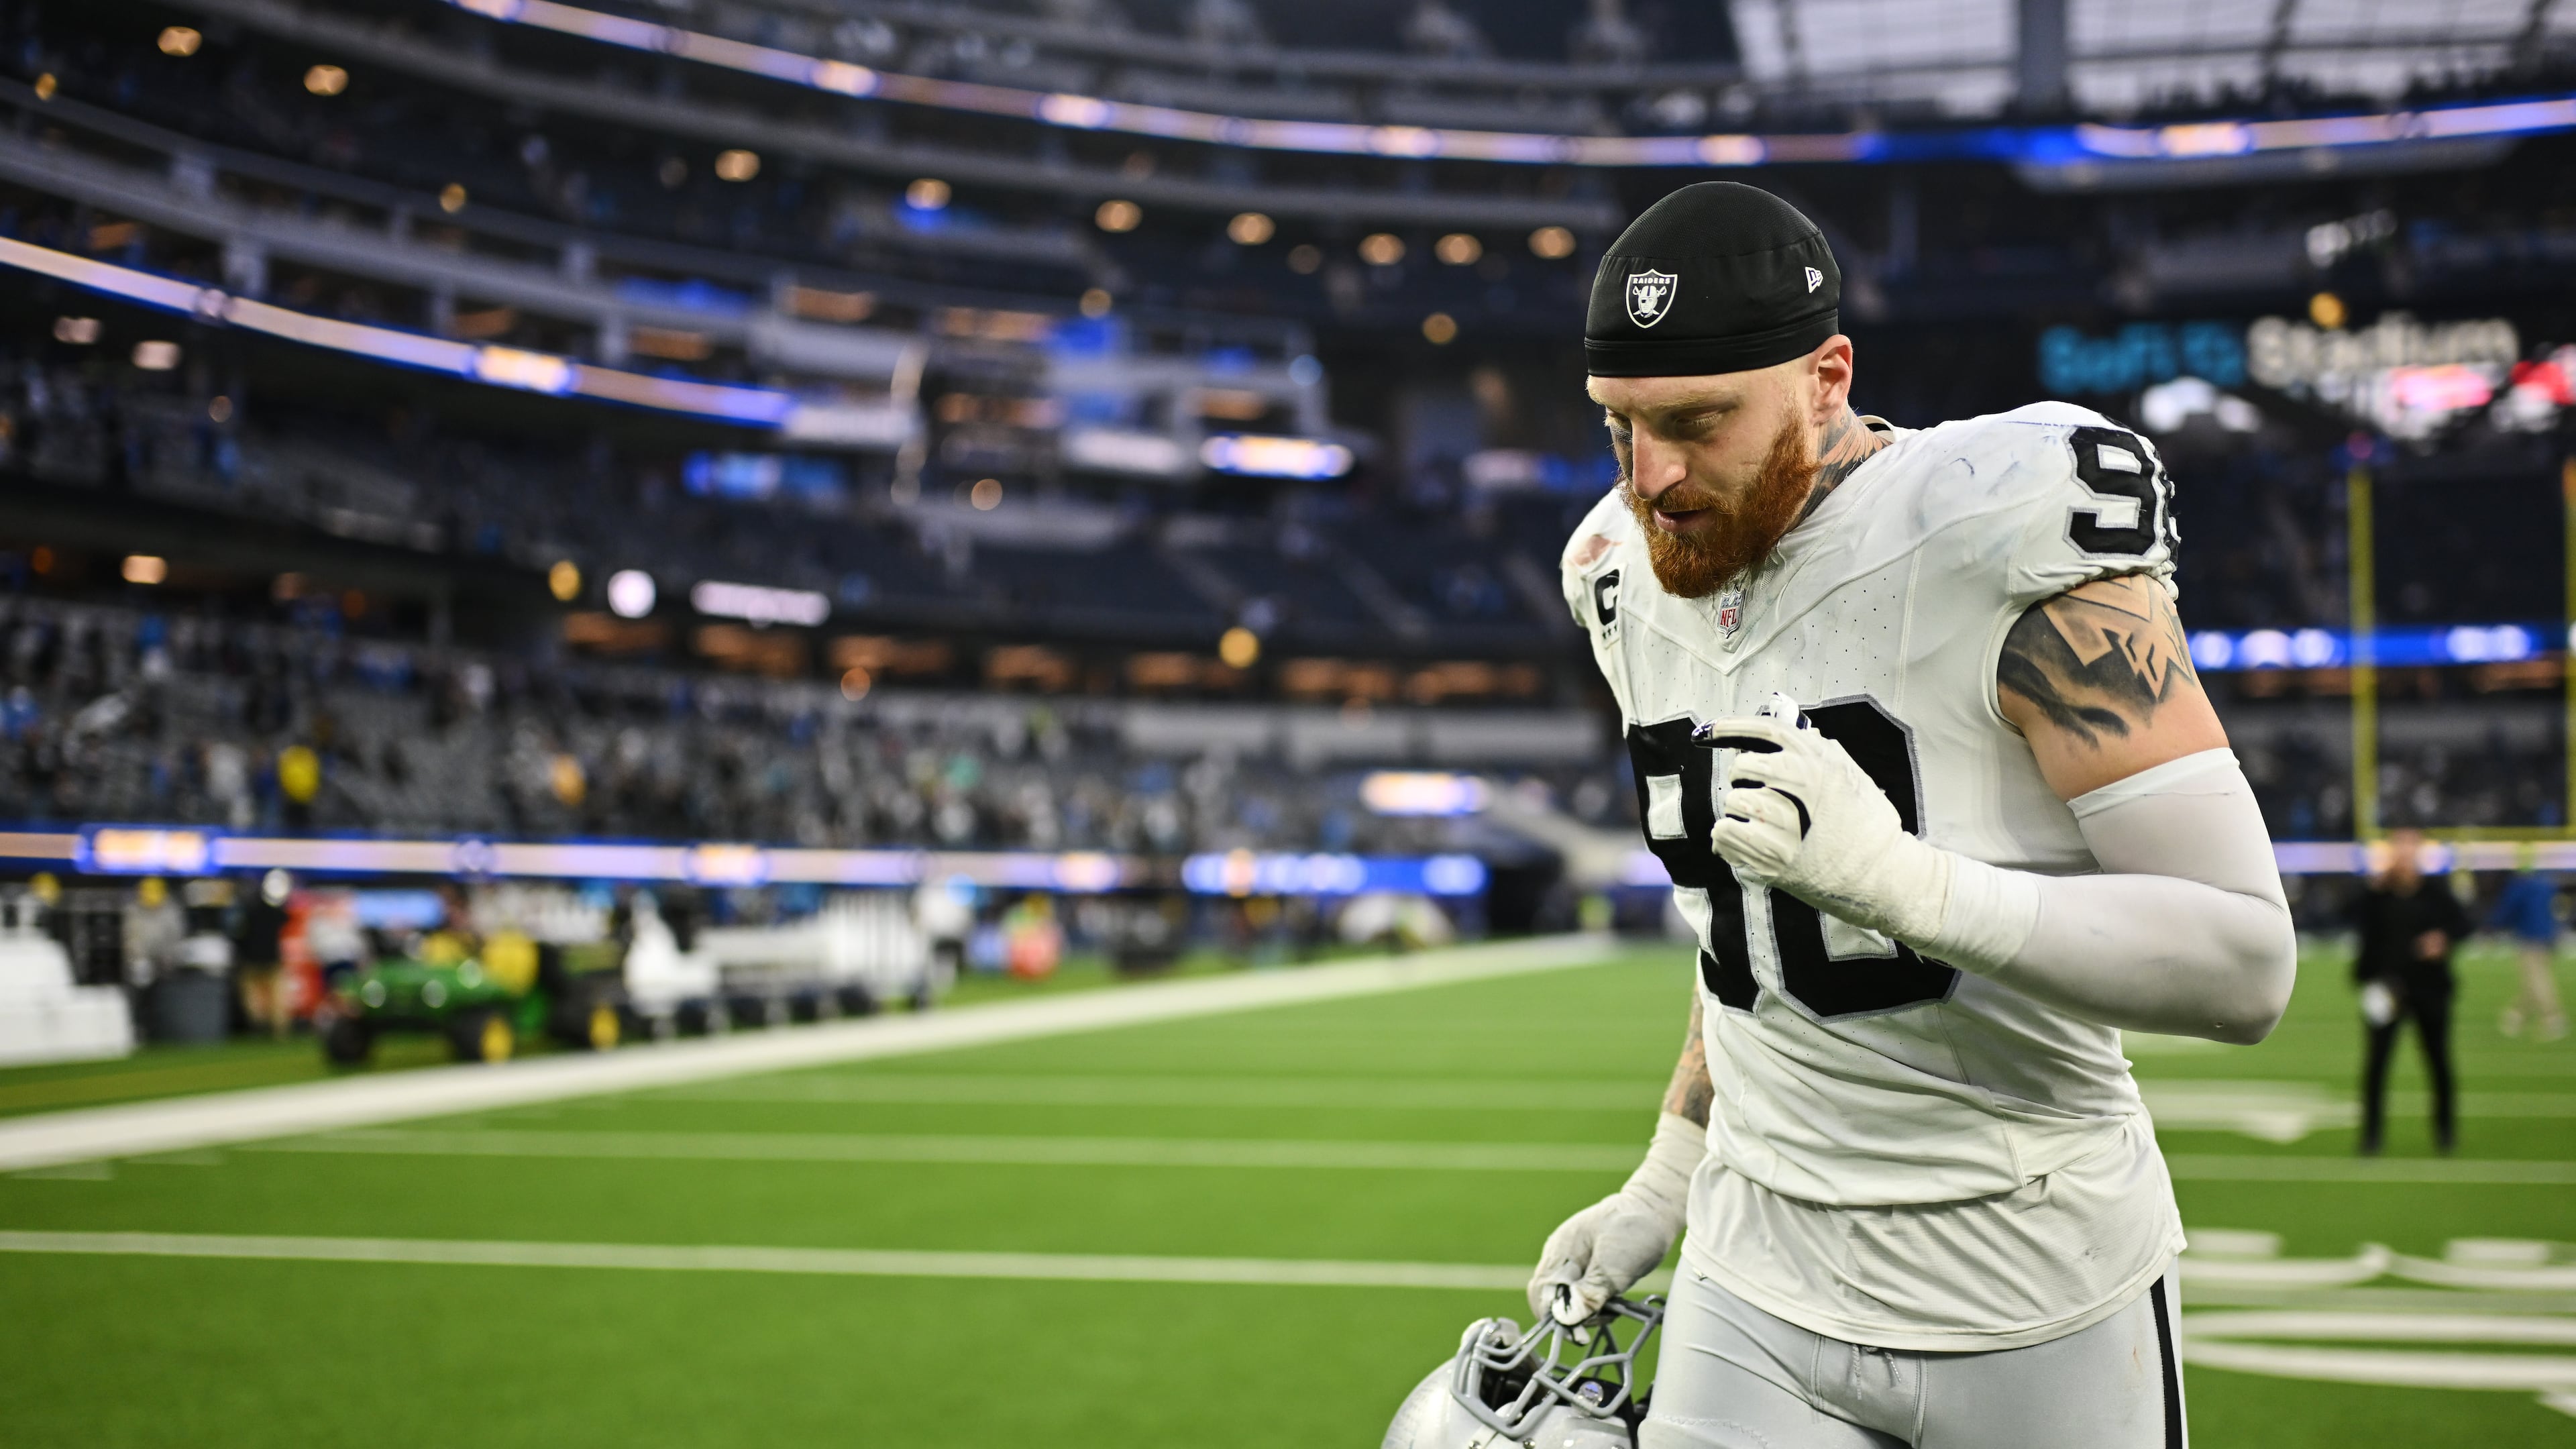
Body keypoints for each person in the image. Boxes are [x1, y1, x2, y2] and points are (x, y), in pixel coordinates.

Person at [1533, 182, 2296, 1448]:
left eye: (1697, 421)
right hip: (1753, 1275)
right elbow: (1753, 934)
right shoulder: (1615, 571)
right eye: (1619, 428)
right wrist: (1669, 1175)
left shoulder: (1998, 522)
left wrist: (1912, 888)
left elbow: (2244, 960)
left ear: (1828, 376)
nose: (1650, 478)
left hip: (2031, 1279)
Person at [2353, 828, 2469, 1152]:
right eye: (2398, 849)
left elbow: (2463, 924)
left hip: (2429, 989)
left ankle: (2445, 1133)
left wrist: (2442, 940)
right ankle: (2371, 1136)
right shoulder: (2378, 895)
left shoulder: (2435, 893)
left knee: (2438, 1062)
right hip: (2386, 990)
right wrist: (2374, 887)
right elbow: (2351, 917)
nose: (2404, 856)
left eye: (2409, 850)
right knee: (2377, 1065)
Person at [2490, 855, 2567, 1040]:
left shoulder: (2520, 886)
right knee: (2533, 979)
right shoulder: (2547, 885)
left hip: (2530, 937)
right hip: (2549, 936)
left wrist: (2491, 926)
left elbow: (2508, 909)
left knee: (2537, 979)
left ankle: (2553, 1018)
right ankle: (2516, 1016)